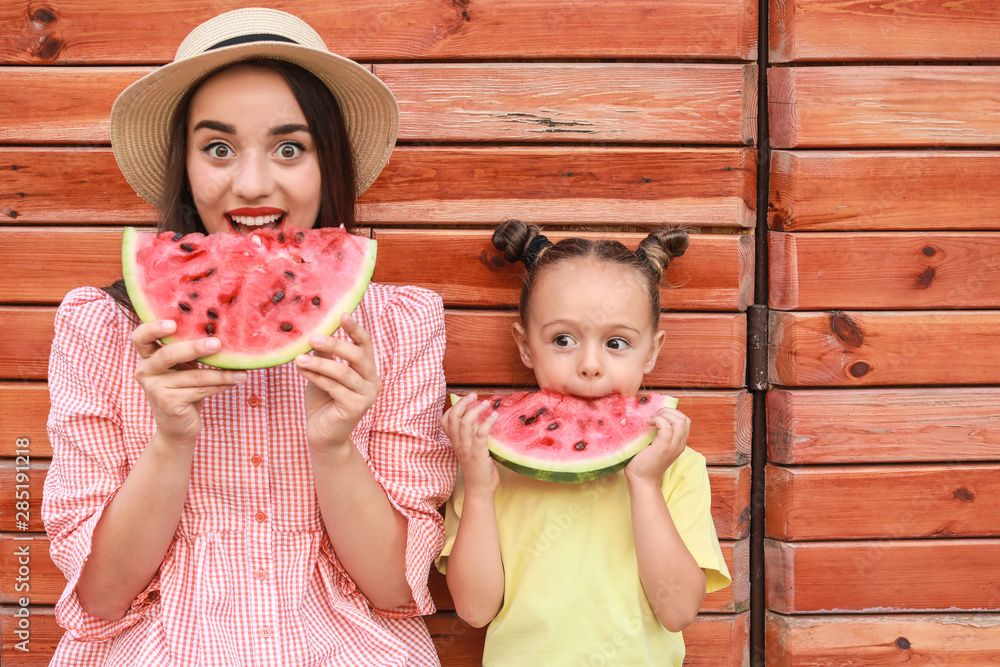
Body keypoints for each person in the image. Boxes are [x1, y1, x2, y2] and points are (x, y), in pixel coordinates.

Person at [42, 8, 454, 666]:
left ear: (329, 163)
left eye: (290, 147)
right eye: (219, 148)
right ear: (185, 163)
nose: (254, 183)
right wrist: (170, 438)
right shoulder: (100, 326)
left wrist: (335, 445)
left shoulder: (400, 323)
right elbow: (99, 597)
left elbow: (393, 585)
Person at [437, 219, 731, 666]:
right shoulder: (486, 463)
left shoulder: (677, 466)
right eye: (563, 340)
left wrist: (646, 484)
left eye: (616, 342)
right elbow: (475, 611)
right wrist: (478, 488)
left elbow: (678, 610)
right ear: (525, 346)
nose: (590, 365)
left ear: (651, 351)